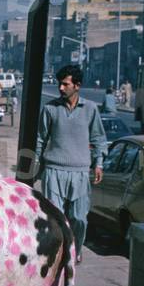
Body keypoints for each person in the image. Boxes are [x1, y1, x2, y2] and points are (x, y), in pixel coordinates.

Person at [36, 65, 107, 264]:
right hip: (53, 171)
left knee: (79, 219)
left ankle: (75, 248)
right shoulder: (50, 109)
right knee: (55, 218)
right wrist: (35, 168)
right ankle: (58, 254)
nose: (60, 87)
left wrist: (98, 164)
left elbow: (99, 139)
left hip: (80, 172)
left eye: (65, 84)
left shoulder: (90, 109)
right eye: (60, 83)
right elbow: (40, 140)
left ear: (77, 85)